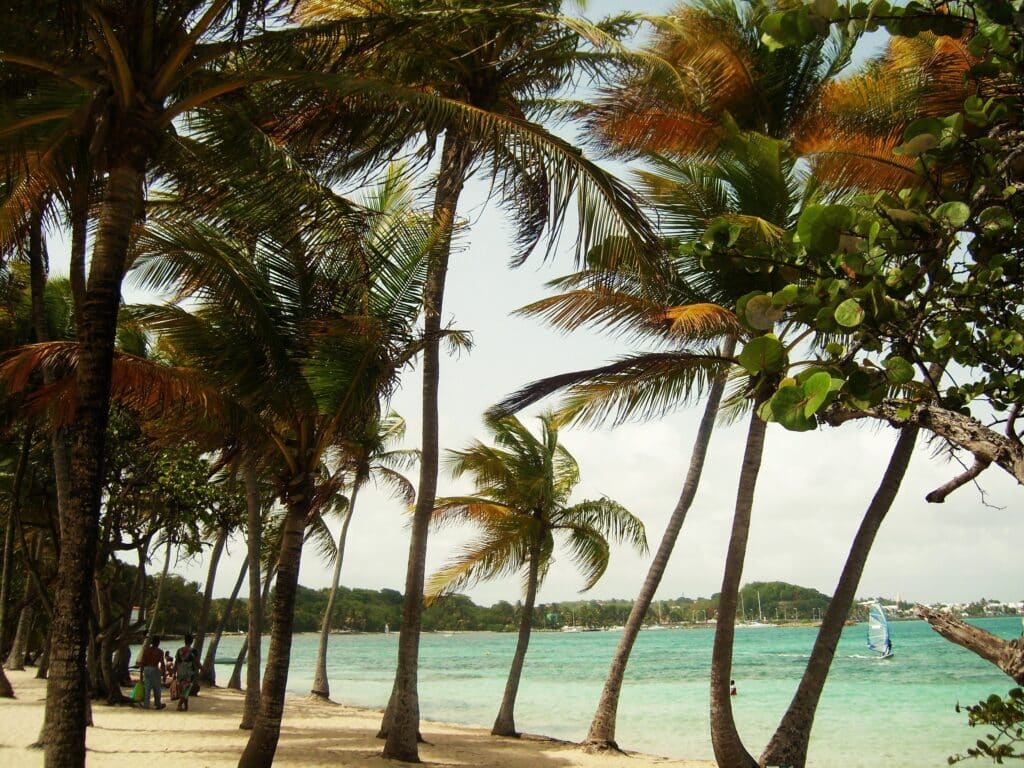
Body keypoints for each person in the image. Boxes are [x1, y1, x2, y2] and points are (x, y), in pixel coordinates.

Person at [135, 636, 167, 710]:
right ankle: (157, 704)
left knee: (147, 687)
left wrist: (141, 674)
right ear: (158, 642)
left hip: (146, 669)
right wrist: (164, 674)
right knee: (157, 688)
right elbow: (162, 664)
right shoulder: (159, 651)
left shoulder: (146, 650)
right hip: (154, 668)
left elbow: (142, 663)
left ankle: (146, 705)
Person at [174, 633, 201, 711]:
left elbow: (177, 662)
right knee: (186, 689)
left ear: (184, 641)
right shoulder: (193, 651)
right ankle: (179, 706)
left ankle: (186, 706)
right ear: (192, 641)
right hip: (189, 673)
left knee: (185, 689)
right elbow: (196, 662)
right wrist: (202, 668)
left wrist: (174, 672)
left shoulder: (179, 650)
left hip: (180, 671)